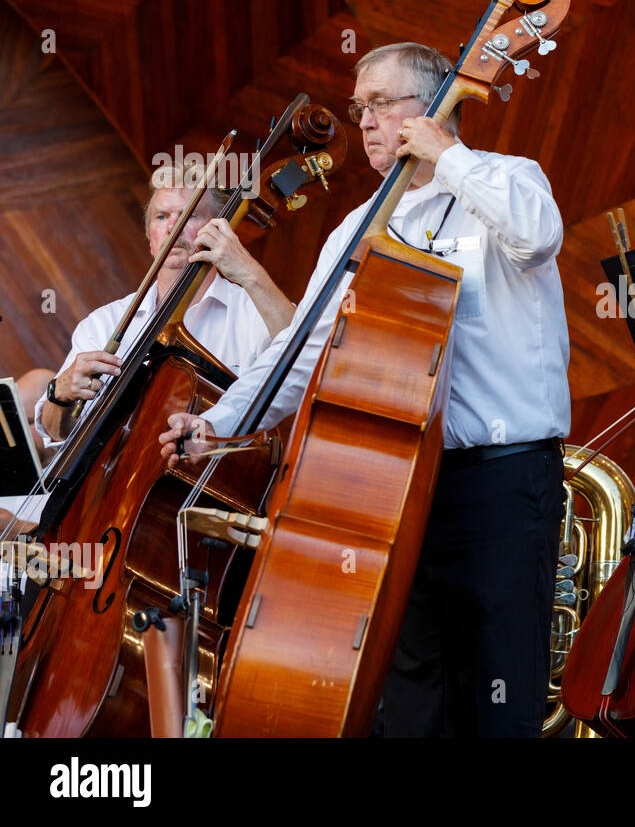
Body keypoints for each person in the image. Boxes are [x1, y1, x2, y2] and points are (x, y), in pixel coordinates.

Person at [159, 42, 570, 738]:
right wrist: (219, 424)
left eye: (381, 103)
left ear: (434, 105)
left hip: (504, 483)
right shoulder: (359, 226)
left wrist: (451, 159)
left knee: (500, 695)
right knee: (414, 698)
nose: (366, 121)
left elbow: (537, 238)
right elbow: (305, 346)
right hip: (403, 488)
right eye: (360, 108)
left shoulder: (507, 178)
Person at [35, 166, 294, 450]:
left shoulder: (254, 309)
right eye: (162, 217)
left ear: (221, 230)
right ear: (150, 240)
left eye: (189, 215)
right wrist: (60, 393)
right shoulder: (103, 324)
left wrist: (248, 273)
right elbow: (58, 433)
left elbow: (306, 353)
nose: (172, 226)